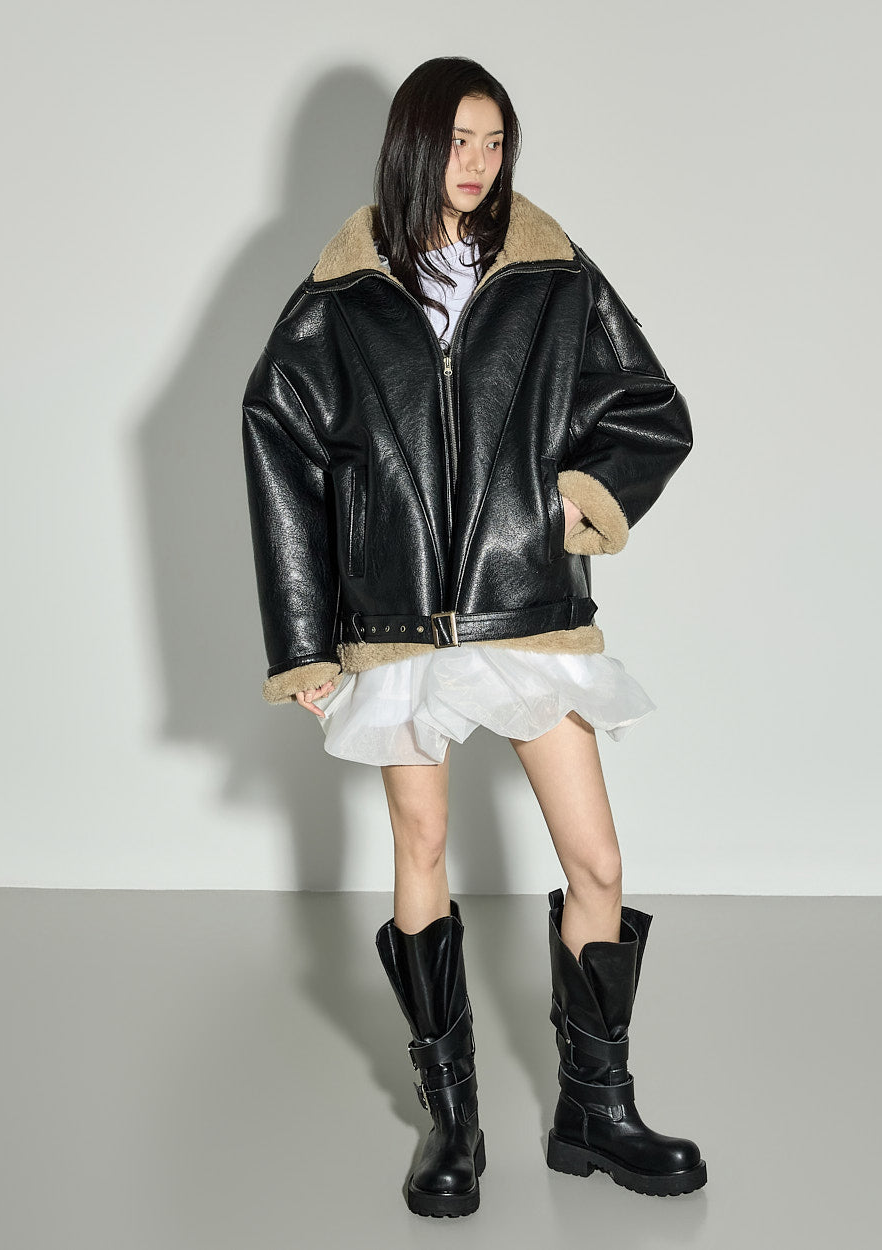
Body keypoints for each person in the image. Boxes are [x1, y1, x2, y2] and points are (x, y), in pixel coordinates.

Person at [241, 56, 706, 1218]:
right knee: (423, 845)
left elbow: (652, 407)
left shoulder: (551, 272)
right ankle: (451, 1122)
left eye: (495, 141)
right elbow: (278, 443)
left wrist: (577, 503)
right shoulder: (343, 292)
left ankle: (594, 1109)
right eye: (458, 140)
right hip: (398, 624)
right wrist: (305, 644)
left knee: (596, 861)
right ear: (413, 144)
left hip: (528, 608)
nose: (479, 162)